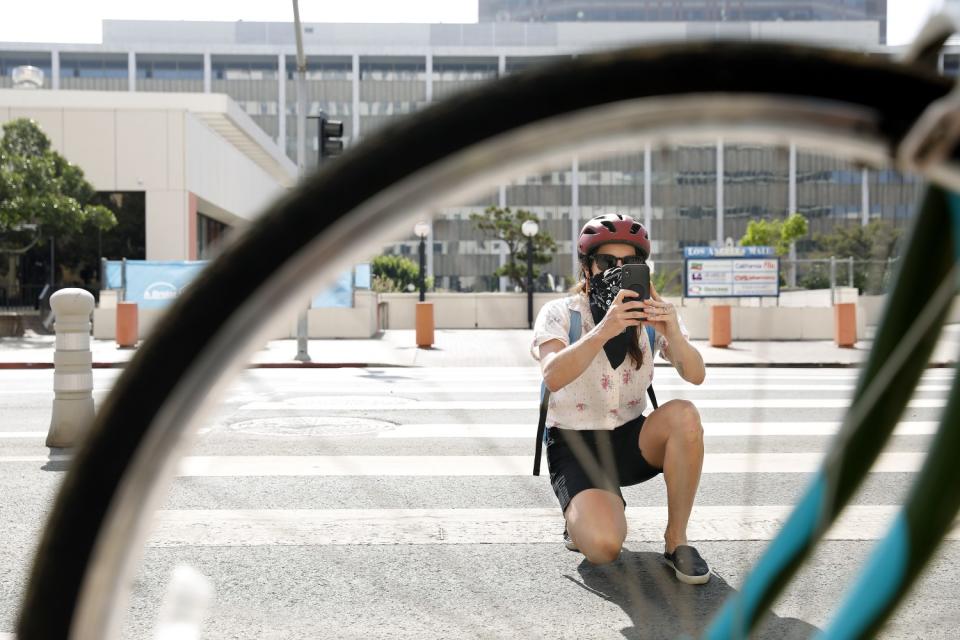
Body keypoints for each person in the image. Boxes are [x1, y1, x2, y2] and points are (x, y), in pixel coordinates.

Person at [531, 213, 710, 584]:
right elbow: (553, 374)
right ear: (587, 267)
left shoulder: (648, 317)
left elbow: (695, 374)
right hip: (575, 443)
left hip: (630, 438)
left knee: (685, 416)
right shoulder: (561, 313)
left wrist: (673, 333)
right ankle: (582, 514)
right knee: (604, 547)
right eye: (607, 263)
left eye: (630, 263)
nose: (617, 271)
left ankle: (677, 540)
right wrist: (603, 329)